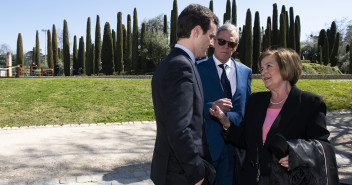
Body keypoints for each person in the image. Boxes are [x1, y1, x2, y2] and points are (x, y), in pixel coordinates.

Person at [210, 48, 339, 185]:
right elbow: (245, 140)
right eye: (261, 69)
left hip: (289, 180)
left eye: (269, 66)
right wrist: (226, 123)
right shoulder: (255, 101)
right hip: (252, 179)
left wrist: (298, 156)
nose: (263, 72)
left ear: (286, 67)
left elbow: (322, 145)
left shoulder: (310, 103)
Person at [151, 4, 219, 185]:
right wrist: (198, 174)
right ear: (196, 31)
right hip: (180, 175)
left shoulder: (175, 62)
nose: (212, 43)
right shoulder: (180, 66)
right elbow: (179, 129)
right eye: (211, 36)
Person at [196, 22, 252, 185]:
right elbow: (187, 105)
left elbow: (245, 106)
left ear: (236, 46)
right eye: (222, 41)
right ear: (213, 41)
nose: (226, 46)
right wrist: (210, 107)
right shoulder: (197, 68)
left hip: (237, 148)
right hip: (209, 147)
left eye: (231, 43)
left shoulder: (245, 71)